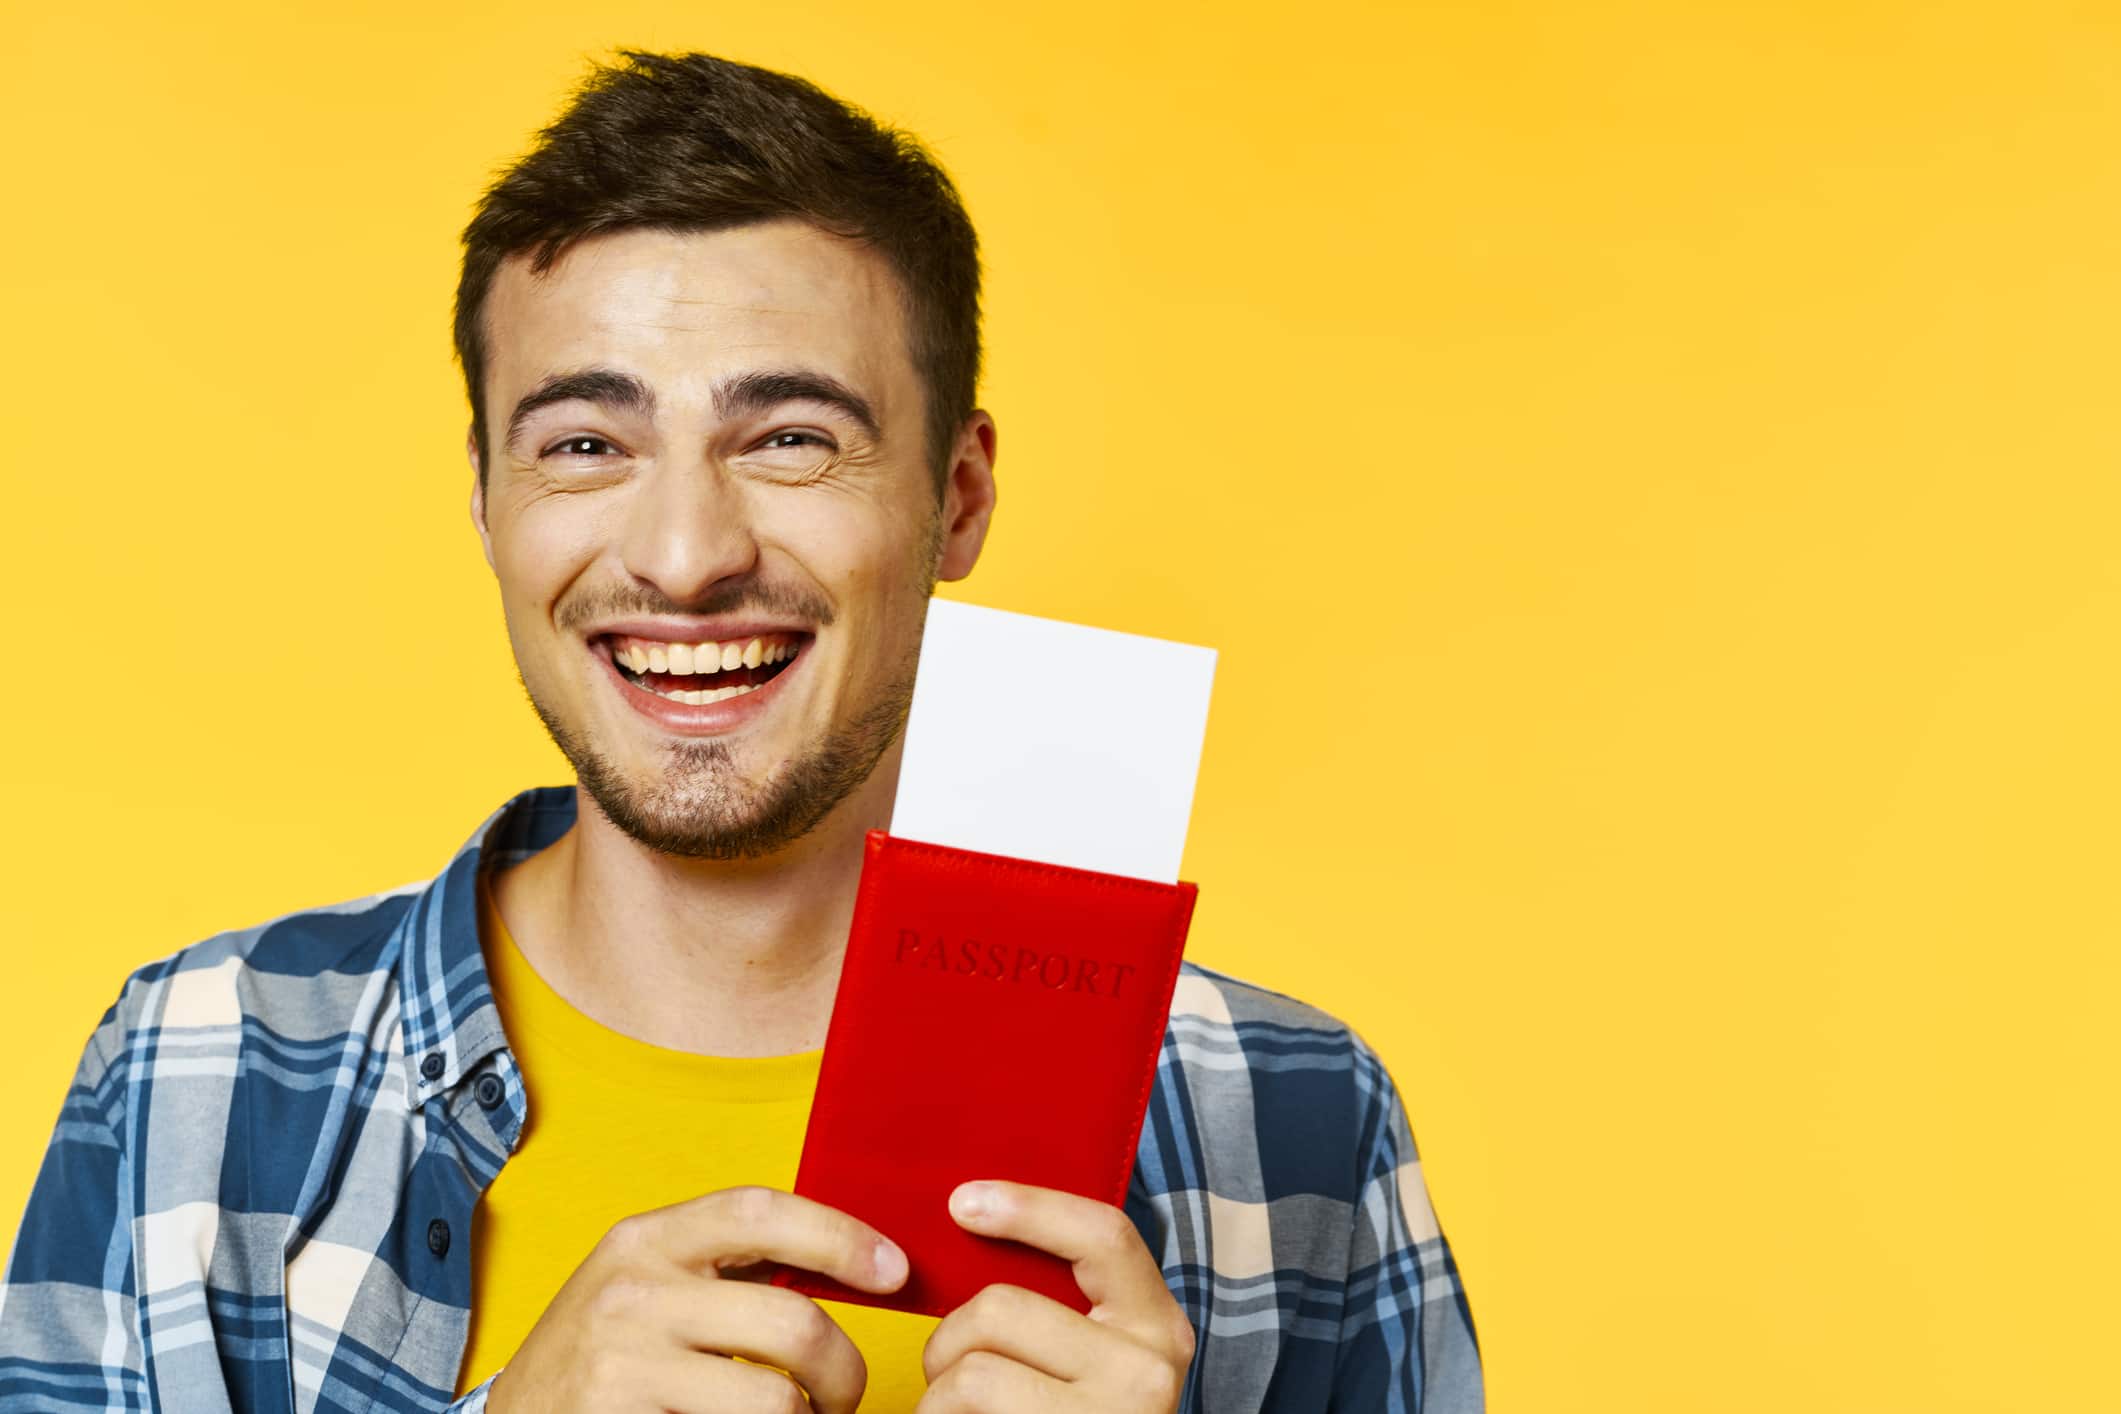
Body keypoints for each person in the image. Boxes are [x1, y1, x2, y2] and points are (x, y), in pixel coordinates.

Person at [0, 48, 1483, 1414]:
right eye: (586, 443)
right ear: (486, 497)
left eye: (789, 439)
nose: (687, 551)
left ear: (954, 496)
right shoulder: (197, 1074)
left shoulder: (1291, 1122)